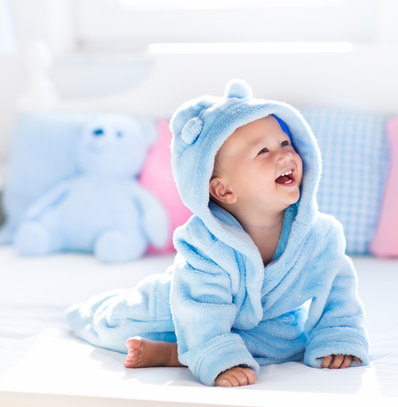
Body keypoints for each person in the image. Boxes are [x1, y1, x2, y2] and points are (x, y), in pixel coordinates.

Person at [66, 79, 369, 387]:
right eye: (263, 151)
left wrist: (337, 334)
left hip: (259, 322)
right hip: (181, 305)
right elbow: (201, 306)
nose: (285, 156)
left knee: (288, 343)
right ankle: (189, 346)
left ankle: (174, 354)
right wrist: (218, 356)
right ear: (223, 190)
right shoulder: (206, 244)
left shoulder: (320, 236)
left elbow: (337, 288)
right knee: (118, 325)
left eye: (285, 143)